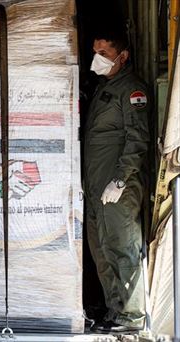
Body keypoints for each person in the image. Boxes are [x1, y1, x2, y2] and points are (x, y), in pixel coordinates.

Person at [84, 28, 150, 333]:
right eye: (95, 52)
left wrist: (121, 180)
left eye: (104, 54)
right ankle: (115, 310)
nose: (97, 59)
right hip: (97, 186)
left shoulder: (132, 90)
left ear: (122, 57)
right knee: (101, 249)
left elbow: (137, 140)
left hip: (117, 186)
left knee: (123, 248)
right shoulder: (103, 87)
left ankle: (132, 315)